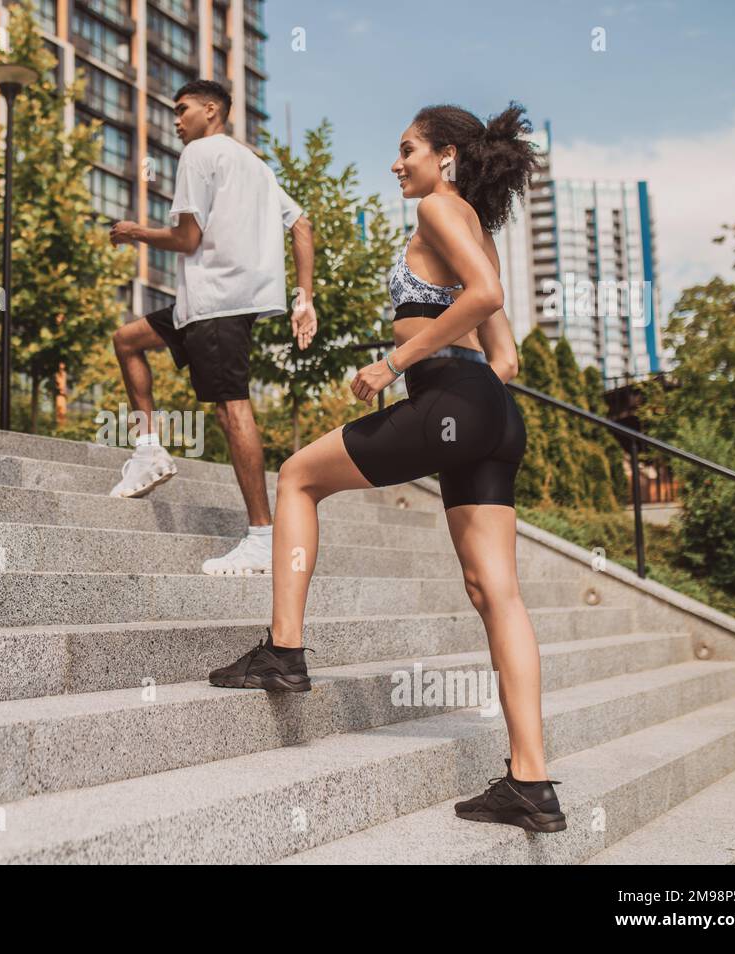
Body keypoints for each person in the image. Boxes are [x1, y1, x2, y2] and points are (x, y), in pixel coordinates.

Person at [208, 102, 566, 834]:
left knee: (299, 476)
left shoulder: (439, 208)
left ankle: (283, 650)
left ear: (447, 158)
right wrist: (462, 394)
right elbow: (506, 356)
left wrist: (394, 362)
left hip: (451, 402)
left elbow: (487, 299)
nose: (397, 163)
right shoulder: (477, 228)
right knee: (496, 591)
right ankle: (530, 782)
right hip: (494, 415)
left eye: (407, 149)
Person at [107, 79, 317, 575]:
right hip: (203, 305)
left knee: (230, 408)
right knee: (127, 340)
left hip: (218, 303)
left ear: (211, 111)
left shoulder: (199, 154)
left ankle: (263, 536)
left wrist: (134, 232)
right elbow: (302, 224)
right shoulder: (257, 167)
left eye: (182, 111)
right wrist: (303, 297)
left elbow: (187, 238)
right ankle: (148, 448)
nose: (176, 121)